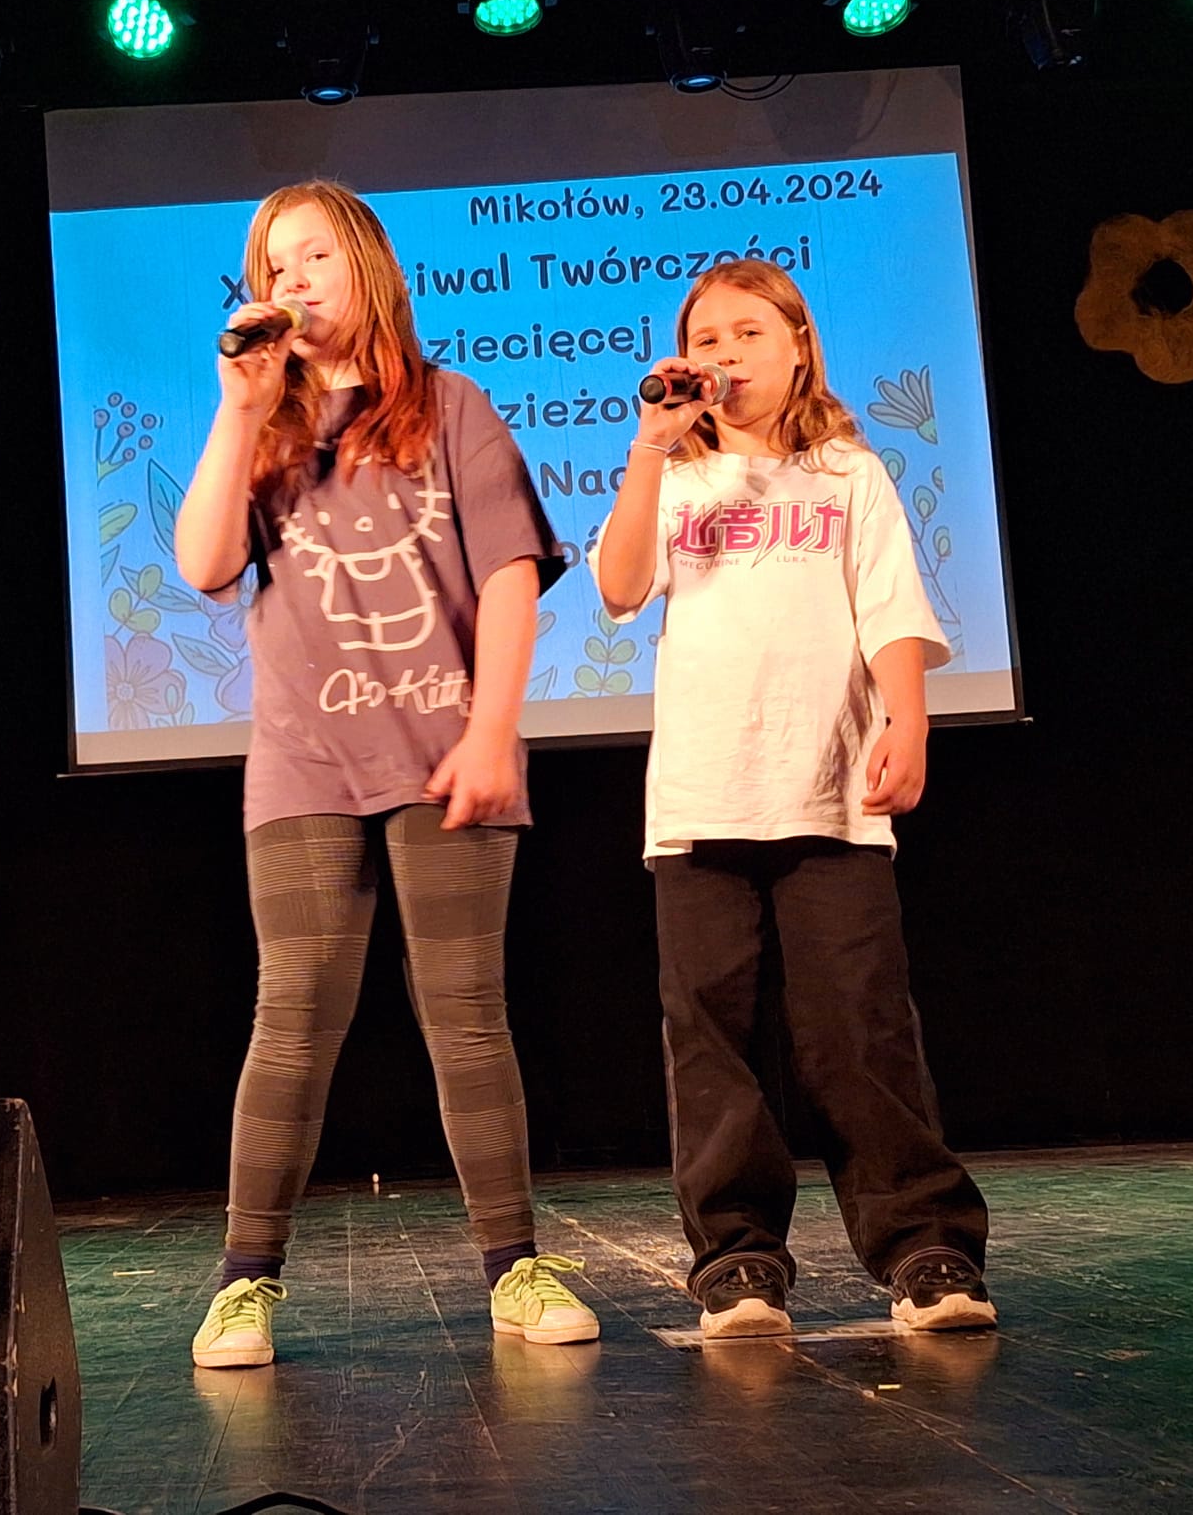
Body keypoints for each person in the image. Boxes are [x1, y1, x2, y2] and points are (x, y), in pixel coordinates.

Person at [174, 179, 594, 1369]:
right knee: (296, 1013)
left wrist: (494, 731)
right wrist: (238, 407)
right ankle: (244, 1281)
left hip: (443, 749)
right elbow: (203, 563)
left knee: (464, 1012)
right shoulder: (264, 429)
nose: (294, 281)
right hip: (305, 763)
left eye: (314, 257)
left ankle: (515, 1267)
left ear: (367, 265)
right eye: (274, 265)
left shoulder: (453, 407)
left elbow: (509, 575)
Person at [589, 258, 995, 1337]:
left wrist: (908, 722)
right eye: (705, 339)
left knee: (859, 1031)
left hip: (830, 791)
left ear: (799, 344)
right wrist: (650, 446)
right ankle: (738, 1258)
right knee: (711, 1041)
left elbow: (891, 609)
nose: (725, 354)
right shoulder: (678, 477)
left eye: (748, 333)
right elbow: (620, 586)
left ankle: (926, 1246)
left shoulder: (847, 471)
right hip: (701, 801)